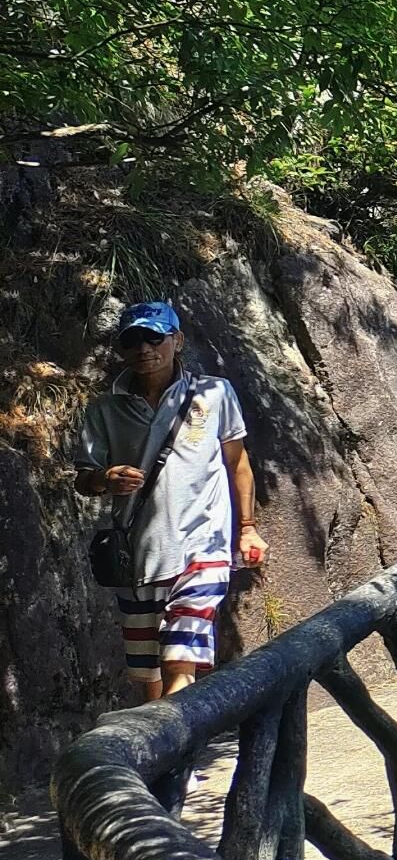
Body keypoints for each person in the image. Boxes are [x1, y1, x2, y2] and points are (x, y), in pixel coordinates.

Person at [72, 300, 267, 701]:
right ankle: (166, 757)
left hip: (203, 548)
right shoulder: (104, 409)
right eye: (133, 340)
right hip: (139, 556)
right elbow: (83, 480)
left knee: (180, 657)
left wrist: (247, 529)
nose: (144, 347)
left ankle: (182, 760)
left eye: (154, 337)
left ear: (176, 341)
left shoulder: (214, 393)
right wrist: (105, 480)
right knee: (147, 676)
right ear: (122, 348)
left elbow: (238, 462)